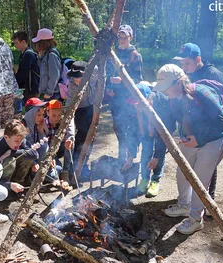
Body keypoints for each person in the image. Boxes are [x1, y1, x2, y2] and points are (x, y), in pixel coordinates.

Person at [154, 64, 223, 234]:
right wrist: (157, 154)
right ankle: (184, 205)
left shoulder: (202, 93)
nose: (164, 91)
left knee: (200, 181)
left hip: (215, 138)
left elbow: (222, 123)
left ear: (177, 83)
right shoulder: (173, 100)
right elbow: (166, 127)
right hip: (192, 139)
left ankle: (196, 219)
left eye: (166, 87)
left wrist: (199, 139)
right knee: (182, 171)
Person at [173, 42, 223, 211]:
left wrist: (203, 134)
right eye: (182, 63)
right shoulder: (186, 75)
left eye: (187, 63)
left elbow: (219, 111)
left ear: (198, 59)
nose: (184, 67)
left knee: (207, 168)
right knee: (189, 167)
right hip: (192, 129)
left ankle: (208, 201)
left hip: (210, 132)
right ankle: (187, 202)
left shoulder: (213, 74)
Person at [128, 82, 176, 197]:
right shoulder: (137, 108)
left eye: (138, 103)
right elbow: (133, 133)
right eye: (134, 103)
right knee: (146, 153)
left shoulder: (162, 103)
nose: (135, 106)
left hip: (163, 129)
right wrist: (131, 155)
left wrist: (157, 156)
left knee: (158, 158)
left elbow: (165, 133)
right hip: (146, 130)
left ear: (148, 98)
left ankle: (155, 181)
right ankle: (144, 179)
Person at [106, 25, 143, 171]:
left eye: (125, 37)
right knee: (118, 128)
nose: (122, 40)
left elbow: (139, 80)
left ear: (131, 38)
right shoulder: (113, 54)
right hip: (115, 99)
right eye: (120, 38)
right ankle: (122, 156)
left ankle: (130, 157)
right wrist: (109, 88)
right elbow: (108, 74)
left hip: (128, 100)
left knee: (130, 129)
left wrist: (122, 81)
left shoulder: (135, 55)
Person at [0, 120, 39, 192]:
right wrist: (9, 185)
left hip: (15, 181)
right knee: (10, 161)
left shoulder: (19, 140)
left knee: (27, 157)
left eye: (21, 140)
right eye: (16, 141)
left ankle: (19, 185)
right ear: (6, 137)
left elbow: (35, 154)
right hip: (0, 182)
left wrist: (11, 152)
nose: (19, 144)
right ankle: (8, 190)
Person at [66, 61, 97, 167]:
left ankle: (85, 161)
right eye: (75, 78)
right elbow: (69, 105)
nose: (76, 81)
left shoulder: (94, 74)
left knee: (92, 133)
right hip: (79, 109)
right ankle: (76, 162)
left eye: (79, 78)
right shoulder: (72, 86)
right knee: (82, 133)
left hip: (92, 106)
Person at [22, 98, 62, 180]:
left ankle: (43, 176)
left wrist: (41, 131)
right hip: (27, 162)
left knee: (59, 168)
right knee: (53, 175)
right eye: (39, 115)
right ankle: (30, 178)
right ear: (31, 114)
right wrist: (33, 163)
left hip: (39, 161)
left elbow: (44, 147)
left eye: (42, 115)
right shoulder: (22, 127)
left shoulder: (38, 125)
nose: (41, 118)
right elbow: (22, 149)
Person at [44, 100, 75, 183]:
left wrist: (68, 139)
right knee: (57, 170)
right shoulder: (44, 125)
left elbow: (71, 122)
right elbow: (44, 146)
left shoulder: (62, 122)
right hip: (48, 152)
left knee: (71, 142)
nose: (56, 118)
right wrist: (50, 158)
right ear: (47, 113)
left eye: (59, 115)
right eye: (53, 115)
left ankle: (66, 171)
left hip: (58, 149)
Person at [32, 28, 62, 101]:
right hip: (46, 93)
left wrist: (49, 92)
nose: (36, 44)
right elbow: (41, 70)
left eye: (38, 42)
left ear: (43, 42)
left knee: (50, 112)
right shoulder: (46, 54)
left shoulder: (52, 55)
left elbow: (55, 75)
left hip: (52, 94)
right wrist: (40, 58)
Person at [12, 30, 40, 103]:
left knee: (32, 111)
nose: (15, 45)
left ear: (23, 42)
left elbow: (24, 73)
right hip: (28, 89)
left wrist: (14, 82)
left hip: (31, 89)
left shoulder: (28, 55)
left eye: (16, 43)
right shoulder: (23, 54)